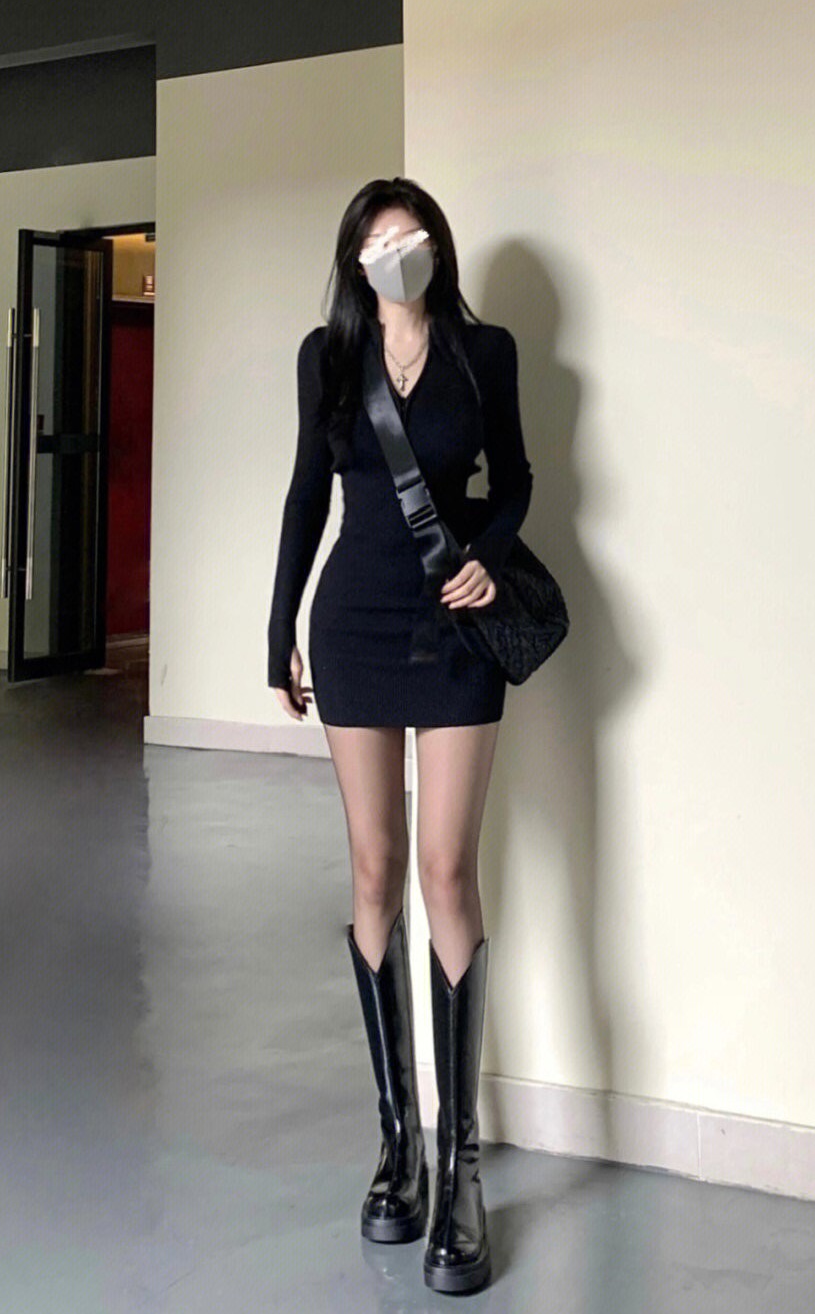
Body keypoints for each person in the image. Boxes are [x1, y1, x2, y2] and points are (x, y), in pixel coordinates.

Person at [267, 176, 533, 1295]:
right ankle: (399, 1145)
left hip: (456, 627)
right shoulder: (326, 358)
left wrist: (490, 553)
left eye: (413, 237)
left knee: (446, 871)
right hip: (355, 623)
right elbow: (305, 496)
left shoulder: (486, 352)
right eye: (379, 242)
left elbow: (514, 479)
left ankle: (462, 1165)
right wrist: (278, 627)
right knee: (374, 869)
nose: (398, 254)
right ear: (354, 260)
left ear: (437, 248)